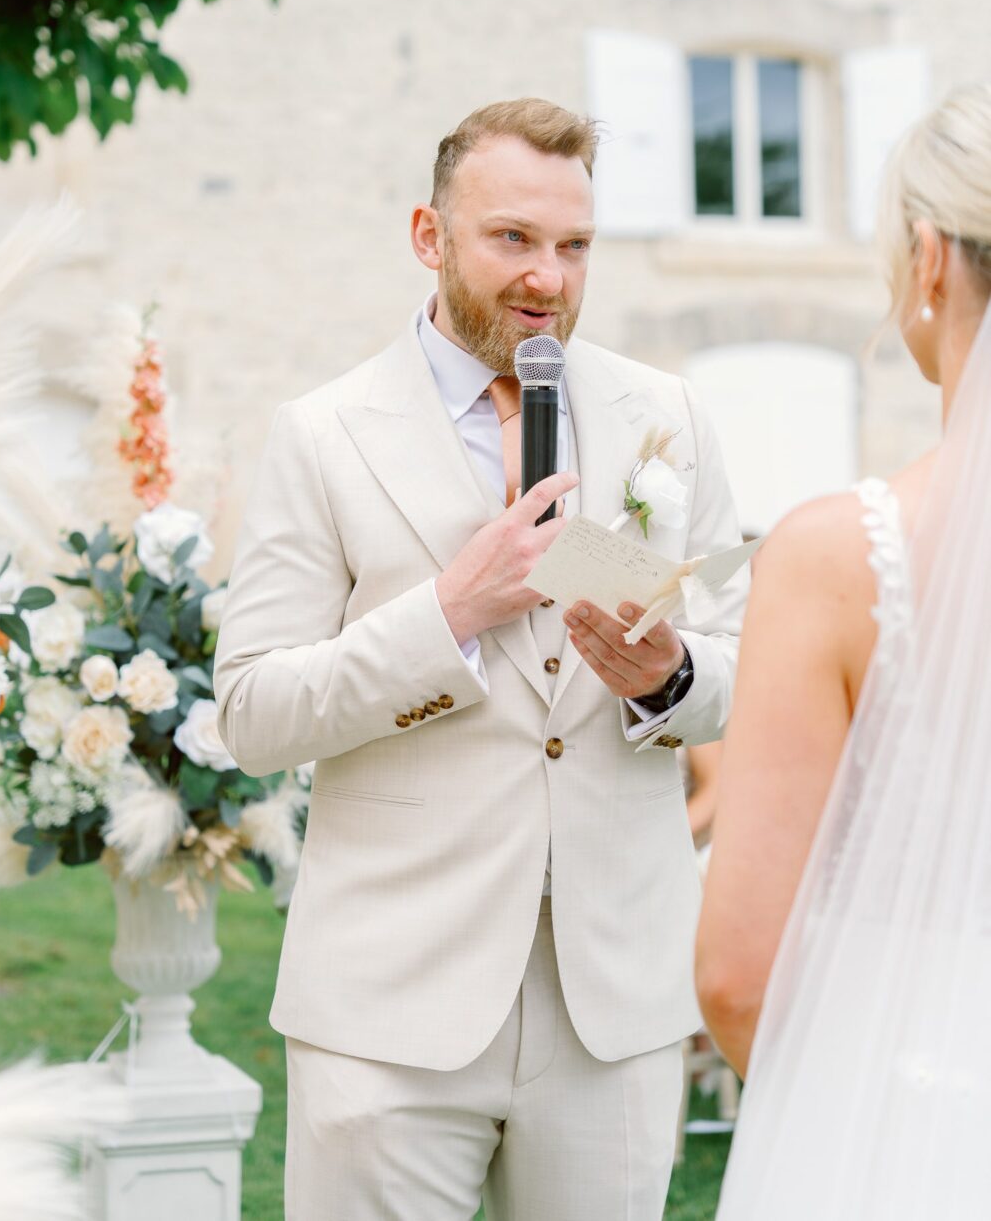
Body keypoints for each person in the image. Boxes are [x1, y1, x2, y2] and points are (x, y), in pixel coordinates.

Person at [214, 97, 745, 1220]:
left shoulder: (669, 415)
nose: (546, 278)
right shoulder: (325, 432)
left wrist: (672, 680)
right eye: (512, 239)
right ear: (429, 235)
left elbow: (743, 663)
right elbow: (253, 713)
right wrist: (445, 614)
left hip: (612, 1007)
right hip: (391, 1009)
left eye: (573, 246)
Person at [695, 84, 991, 1217]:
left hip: (882, 1146)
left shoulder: (838, 556)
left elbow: (737, 975)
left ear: (927, 262)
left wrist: (873, 1141)